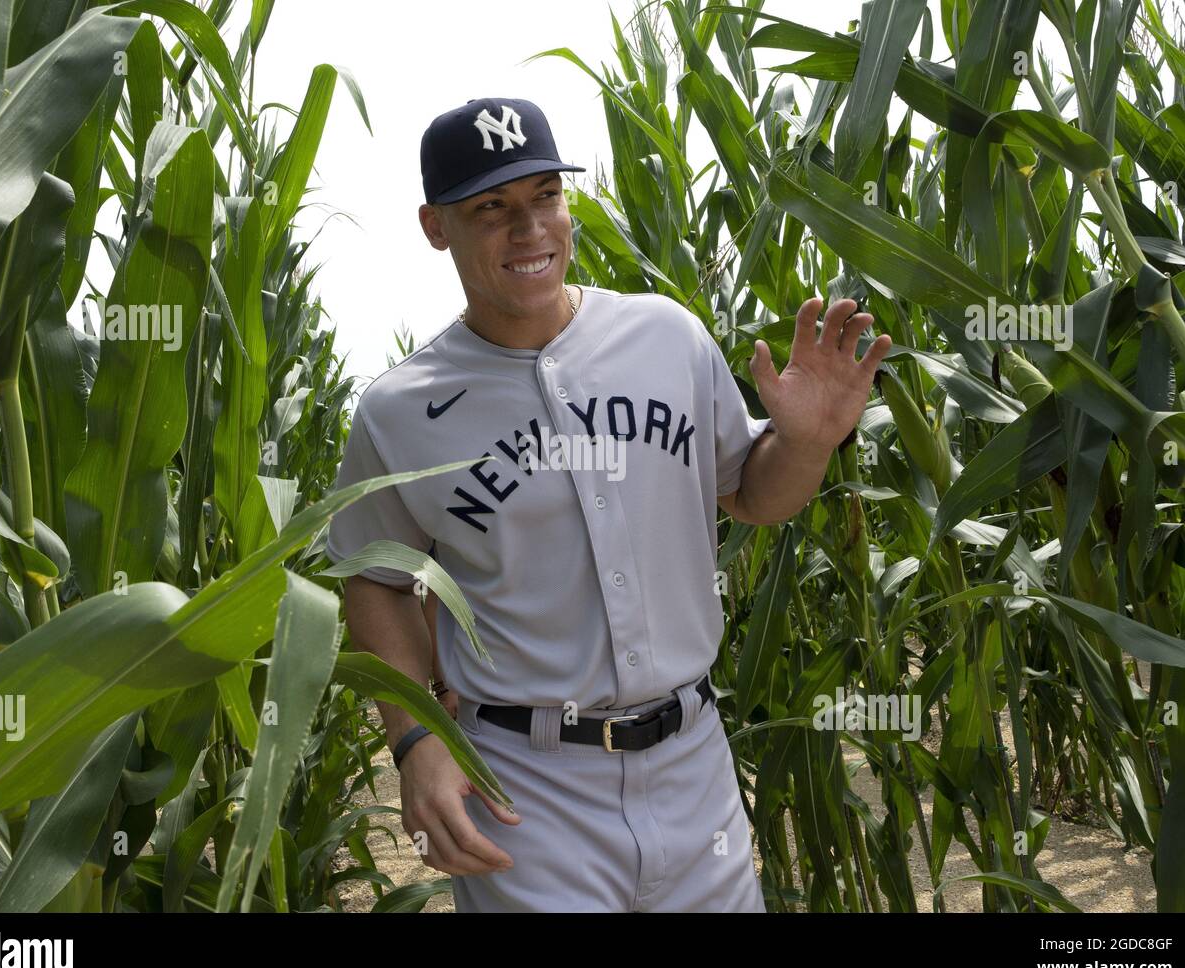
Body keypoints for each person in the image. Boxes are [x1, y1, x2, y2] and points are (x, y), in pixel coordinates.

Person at [324, 97, 891, 912]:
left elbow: (752, 494)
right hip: (524, 786)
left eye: (546, 195)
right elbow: (376, 582)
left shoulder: (668, 336)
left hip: (694, 761)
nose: (530, 230)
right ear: (435, 225)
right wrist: (414, 739)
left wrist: (806, 440)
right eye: (492, 208)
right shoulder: (400, 411)